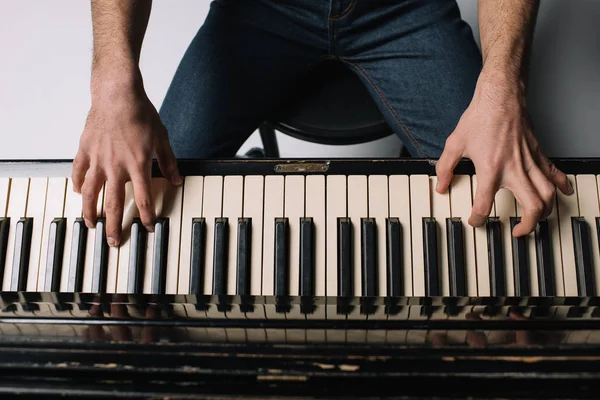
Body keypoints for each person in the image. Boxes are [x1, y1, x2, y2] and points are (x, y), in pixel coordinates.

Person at [72, 0, 573, 247]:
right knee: (149, 204)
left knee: (505, 204)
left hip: (406, 9)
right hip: (258, 9)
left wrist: (504, 83)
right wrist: (113, 83)